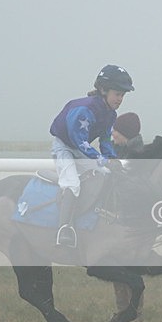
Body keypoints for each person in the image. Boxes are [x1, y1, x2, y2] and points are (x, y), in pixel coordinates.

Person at [49, 64, 134, 247]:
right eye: (117, 94)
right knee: (72, 184)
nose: (120, 99)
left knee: (107, 174)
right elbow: (80, 141)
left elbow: (104, 140)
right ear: (103, 90)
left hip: (80, 150)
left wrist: (111, 158)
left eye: (123, 95)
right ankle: (64, 228)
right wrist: (102, 160)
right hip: (64, 148)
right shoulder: (84, 110)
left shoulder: (110, 114)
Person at [110, 111, 145, 322]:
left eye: (115, 131)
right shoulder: (120, 150)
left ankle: (135, 315)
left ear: (125, 133)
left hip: (132, 219)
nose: (112, 134)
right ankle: (125, 312)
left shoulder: (138, 156)